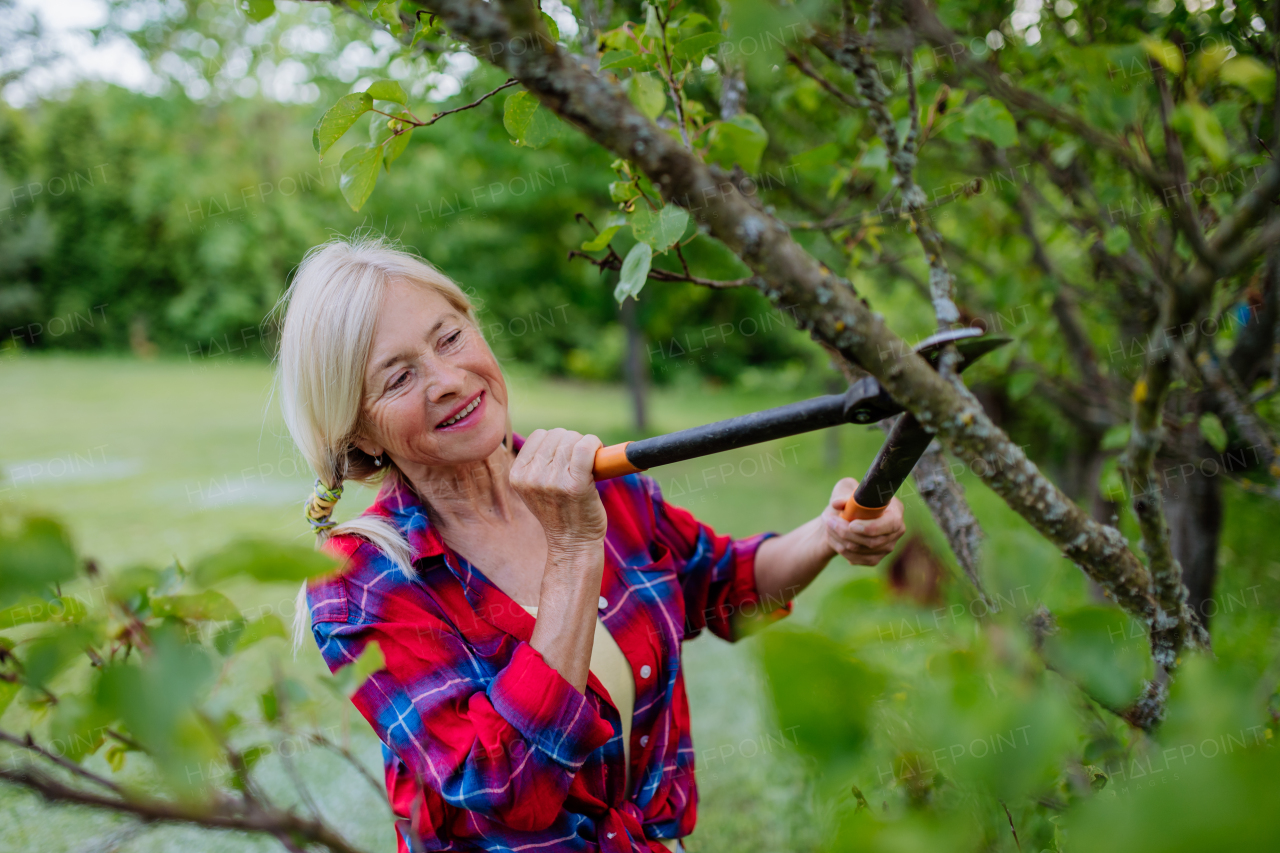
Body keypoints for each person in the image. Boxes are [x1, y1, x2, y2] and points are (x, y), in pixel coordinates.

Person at [278, 236, 906, 853]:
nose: (446, 379)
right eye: (398, 378)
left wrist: (829, 533)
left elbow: (726, 590)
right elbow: (508, 785)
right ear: (360, 434)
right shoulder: (360, 584)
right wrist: (575, 547)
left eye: (449, 338)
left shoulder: (597, 482)